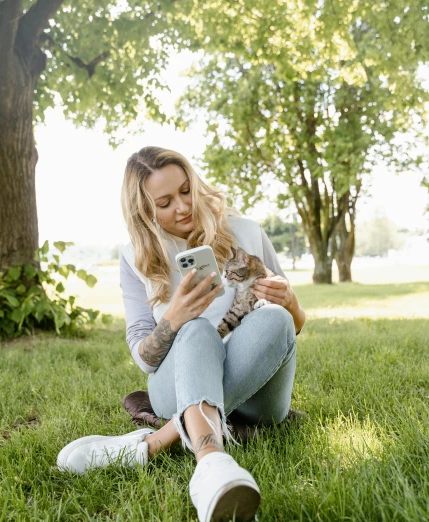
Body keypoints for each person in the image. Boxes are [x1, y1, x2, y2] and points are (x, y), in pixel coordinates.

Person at [56, 146, 306, 522]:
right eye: (165, 201)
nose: (183, 206)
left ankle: (154, 444)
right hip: (176, 382)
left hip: (257, 395)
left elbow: (291, 332)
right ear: (145, 211)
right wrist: (174, 318)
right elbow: (143, 357)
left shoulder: (248, 232)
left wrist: (291, 303)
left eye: (186, 190)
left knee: (275, 319)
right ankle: (211, 465)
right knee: (196, 329)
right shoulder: (135, 257)